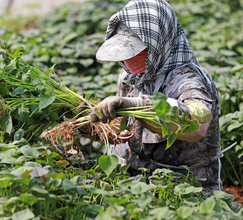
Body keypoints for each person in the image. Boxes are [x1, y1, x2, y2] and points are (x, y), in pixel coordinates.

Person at [91, 0, 221, 192]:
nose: (127, 60)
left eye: (136, 50)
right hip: (134, 185)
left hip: (185, 191)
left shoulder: (189, 80)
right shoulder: (131, 78)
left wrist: (137, 104)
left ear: (159, 42)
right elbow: (122, 131)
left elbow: (197, 123)